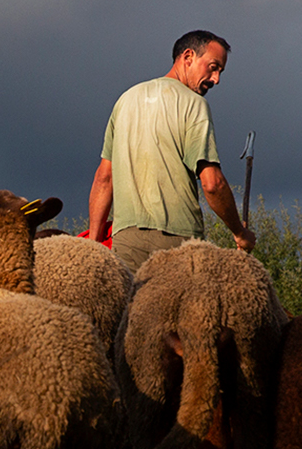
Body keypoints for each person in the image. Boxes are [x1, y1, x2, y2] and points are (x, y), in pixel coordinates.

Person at [87, 30, 256, 274]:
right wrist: (239, 233)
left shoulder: (125, 100)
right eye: (213, 67)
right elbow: (212, 184)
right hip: (178, 243)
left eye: (220, 71)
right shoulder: (194, 104)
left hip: (125, 242)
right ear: (188, 57)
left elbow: (104, 178)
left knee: (132, 312)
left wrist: (94, 245)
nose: (216, 79)